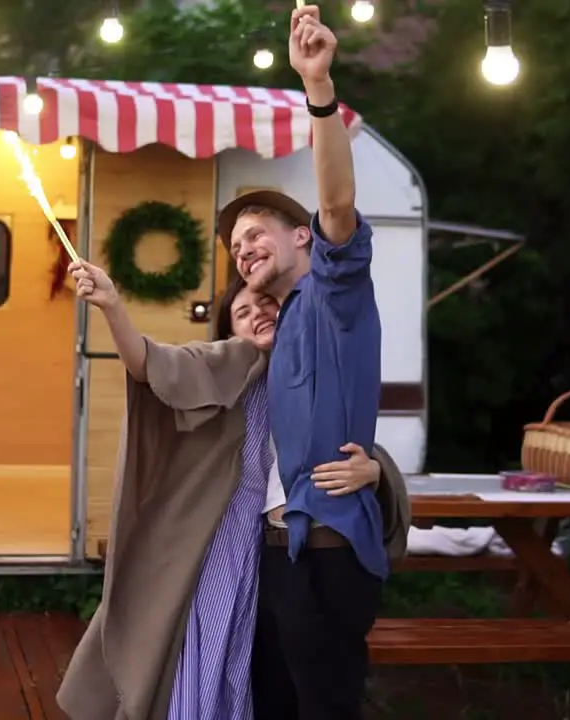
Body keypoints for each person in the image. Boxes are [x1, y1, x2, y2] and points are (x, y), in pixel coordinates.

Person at [55, 261, 404, 720]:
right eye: (243, 311)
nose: (258, 313)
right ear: (228, 329)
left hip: (272, 559)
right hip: (210, 552)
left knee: (256, 676)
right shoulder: (222, 365)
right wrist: (113, 305)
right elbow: (147, 361)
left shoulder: (310, 378)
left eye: (266, 303)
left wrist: (374, 470)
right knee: (195, 665)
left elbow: (355, 446)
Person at [216, 6, 386, 719]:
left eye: (255, 234)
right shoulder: (272, 331)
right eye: (233, 246)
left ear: (301, 239)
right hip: (277, 552)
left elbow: (338, 202)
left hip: (326, 552)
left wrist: (317, 87)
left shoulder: (332, 293)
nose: (243, 248)